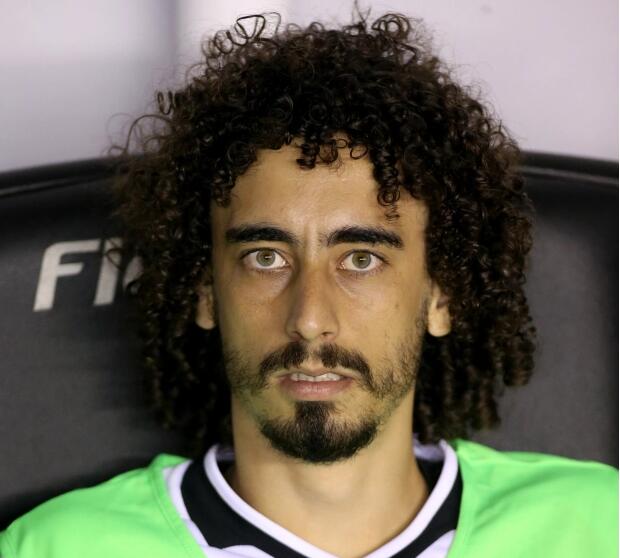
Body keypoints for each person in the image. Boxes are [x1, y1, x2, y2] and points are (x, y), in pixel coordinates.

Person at [0, 8, 616, 558]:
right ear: (206, 291)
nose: (310, 318)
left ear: (441, 295)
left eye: (361, 259)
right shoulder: (56, 549)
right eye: (266, 257)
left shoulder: (598, 524)